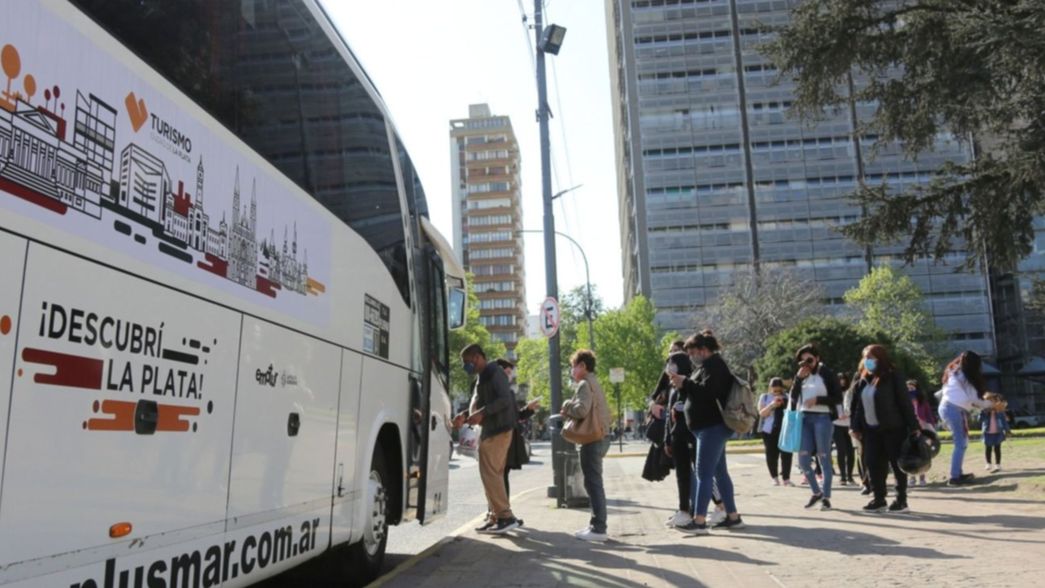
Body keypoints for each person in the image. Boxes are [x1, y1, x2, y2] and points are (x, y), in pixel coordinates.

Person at [668, 330, 744, 534]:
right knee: (719, 473)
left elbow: (708, 392)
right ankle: (733, 517)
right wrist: (682, 384)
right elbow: (696, 391)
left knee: (703, 473)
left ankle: (699, 521)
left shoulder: (716, 366)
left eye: (692, 352)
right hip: (707, 428)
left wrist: (686, 382)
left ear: (703, 350)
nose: (690, 357)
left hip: (713, 427)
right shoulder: (705, 367)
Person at [849, 344, 920, 513]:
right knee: (873, 463)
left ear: (880, 359)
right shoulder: (863, 380)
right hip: (871, 430)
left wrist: (914, 425)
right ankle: (879, 498)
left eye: (871, 358)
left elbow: (904, 402)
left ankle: (901, 500)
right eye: (865, 358)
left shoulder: (893, 376)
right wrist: (855, 426)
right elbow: (858, 407)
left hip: (893, 427)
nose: (867, 361)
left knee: (897, 465)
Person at [460, 343, 520, 534]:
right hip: (491, 430)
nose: (466, 367)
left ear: (477, 357)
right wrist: (464, 415)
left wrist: (483, 412)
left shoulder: (495, 372)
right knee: (491, 475)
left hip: (498, 430)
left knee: (491, 475)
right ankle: (496, 517)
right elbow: (481, 405)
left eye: (467, 362)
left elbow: (504, 400)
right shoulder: (483, 376)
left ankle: (505, 516)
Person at [562, 348, 612, 542]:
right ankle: (595, 525)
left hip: (593, 439)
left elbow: (582, 410)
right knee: (593, 482)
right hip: (601, 436)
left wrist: (567, 404)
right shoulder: (594, 382)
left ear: (582, 366)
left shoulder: (584, 383)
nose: (572, 371)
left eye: (573, 366)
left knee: (593, 483)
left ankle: (599, 528)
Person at [788, 344, 844, 511]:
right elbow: (793, 397)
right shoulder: (801, 376)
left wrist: (818, 400)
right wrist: (798, 379)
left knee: (823, 457)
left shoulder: (826, 374)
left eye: (809, 360)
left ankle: (826, 497)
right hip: (804, 418)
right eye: (802, 361)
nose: (806, 363)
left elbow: (837, 397)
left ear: (817, 358)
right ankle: (816, 492)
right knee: (803, 460)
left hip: (823, 418)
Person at [937, 351, 994, 486]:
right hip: (954, 410)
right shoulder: (963, 376)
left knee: (962, 442)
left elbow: (971, 400)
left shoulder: (954, 372)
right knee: (961, 443)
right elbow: (974, 399)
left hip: (949, 408)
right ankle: (955, 477)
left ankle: (957, 473)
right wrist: (992, 405)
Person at [499, 358, 540, 497]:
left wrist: (528, 409)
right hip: (501, 440)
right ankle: (501, 513)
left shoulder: (508, 392)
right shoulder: (498, 390)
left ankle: (503, 512)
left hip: (509, 440)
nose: (510, 376)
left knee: (503, 475)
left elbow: (515, 416)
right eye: (508, 372)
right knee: (499, 477)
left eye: (511, 373)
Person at [757, 377, 794, 486]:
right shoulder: (764, 397)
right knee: (771, 455)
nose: (777, 392)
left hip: (785, 429)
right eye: (775, 390)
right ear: (770, 388)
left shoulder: (787, 397)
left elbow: (792, 411)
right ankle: (774, 477)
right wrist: (772, 405)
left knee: (787, 454)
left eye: (779, 390)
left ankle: (786, 478)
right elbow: (762, 413)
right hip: (769, 430)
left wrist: (785, 403)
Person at [908, 379, 935, 486]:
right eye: (908, 388)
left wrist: (932, 425)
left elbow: (929, 415)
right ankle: (912, 476)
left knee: (923, 452)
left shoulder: (923, 402)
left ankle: (922, 477)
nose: (910, 390)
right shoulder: (904, 401)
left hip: (923, 428)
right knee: (911, 453)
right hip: (910, 429)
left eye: (912, 388)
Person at [833, 372, 856, 486]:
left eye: (844, 379)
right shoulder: (833, 393)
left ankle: (850, 476)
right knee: (841, 451)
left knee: (851, 452)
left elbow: (853, 406)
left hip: (849, 424)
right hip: (837, 424)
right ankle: (842, 476)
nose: (842, 381)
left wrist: (848, 414)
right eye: (840, 379)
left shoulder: (850, 392)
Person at [980, 392, 1010, 472]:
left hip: (998, 432)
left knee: (997, 449)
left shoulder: (1000, 411)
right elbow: (979, 420)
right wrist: (986, 412)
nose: (991, 403)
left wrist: (1007, 430)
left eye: (992, 400)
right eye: (988, 401)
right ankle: (988, 463)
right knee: (988, 448)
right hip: (987, 432)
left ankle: (998, 465)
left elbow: (1004, 421)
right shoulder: (984, 411)